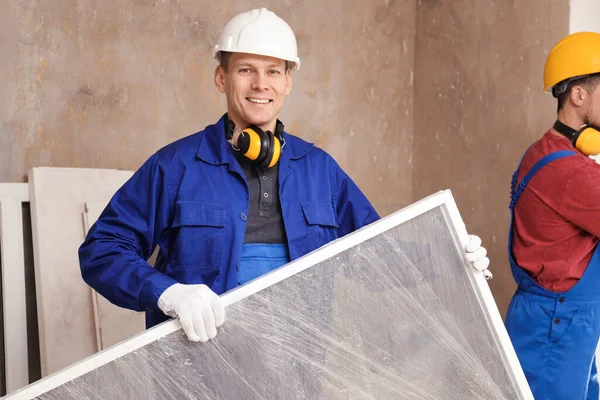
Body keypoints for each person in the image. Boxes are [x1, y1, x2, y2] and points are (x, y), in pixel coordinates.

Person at [79, 7, 490, 344]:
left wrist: (449, 255)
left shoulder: (319, 171)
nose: (261, 84)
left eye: (274, 71)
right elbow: (101, 251)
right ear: (221, 77)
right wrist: (168, 293)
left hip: (296, 371)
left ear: (289, 81)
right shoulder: (177, 166)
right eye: (246, 70)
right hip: (197, 372)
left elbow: (378, 257)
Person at [505, 31, 600, 400]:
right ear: (579, 95)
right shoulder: (573, 173)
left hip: (559, 328)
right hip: (556, 333)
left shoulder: (544, 152)